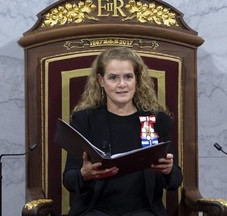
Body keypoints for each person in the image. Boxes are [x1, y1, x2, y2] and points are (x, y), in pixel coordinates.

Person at [63, 47, 183, 216]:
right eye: (113, 78)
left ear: (137, 80)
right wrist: (84, 175)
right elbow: (69, 179)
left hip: (144, 211)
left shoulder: (157, 119)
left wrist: (169, 170)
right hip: (96, 211)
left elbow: (175, 181)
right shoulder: (85, 120)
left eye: (128, 76)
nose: (122, 84)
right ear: (100, 80)